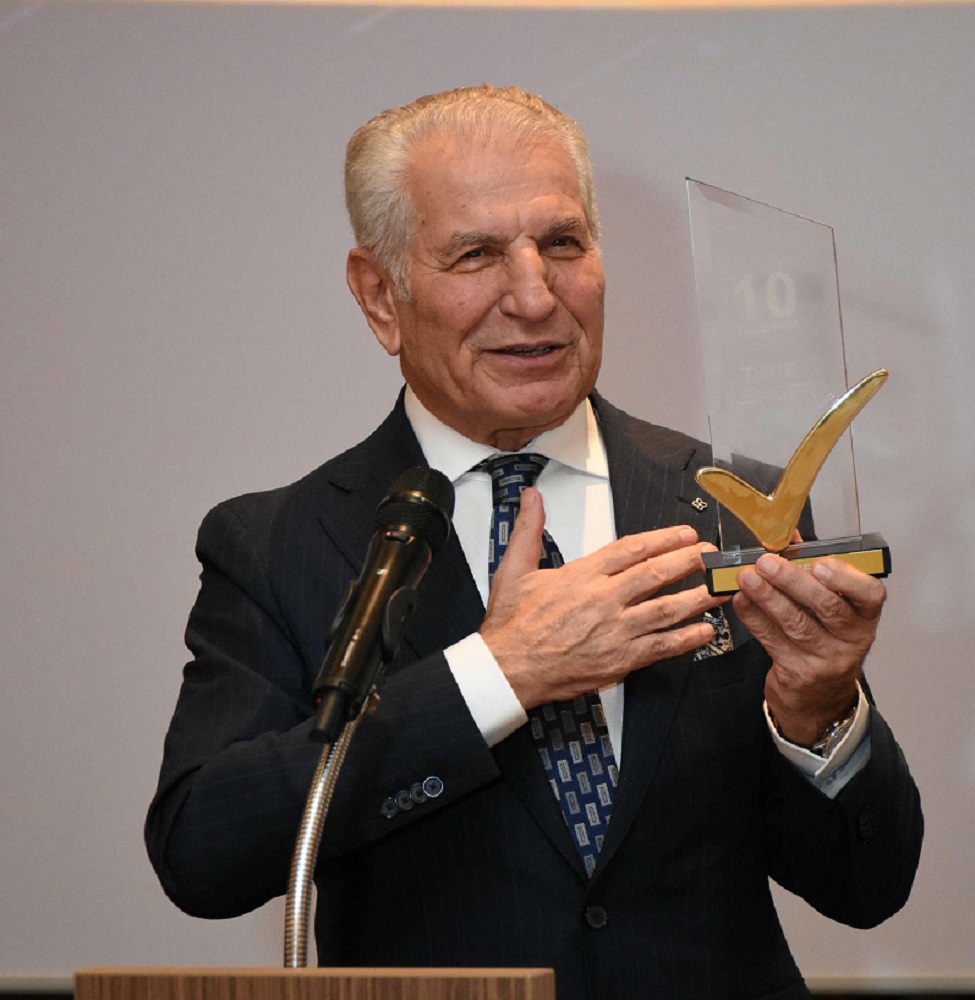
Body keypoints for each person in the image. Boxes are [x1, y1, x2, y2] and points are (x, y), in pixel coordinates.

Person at [146, 85, 922, 999]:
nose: (533, 295)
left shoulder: (733, 501)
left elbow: (866, 888)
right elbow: (202, 854)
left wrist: (816, 709)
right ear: (379, 295)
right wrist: (498, 675)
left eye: (561, 244)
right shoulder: (281, 540)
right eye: (475, 254)